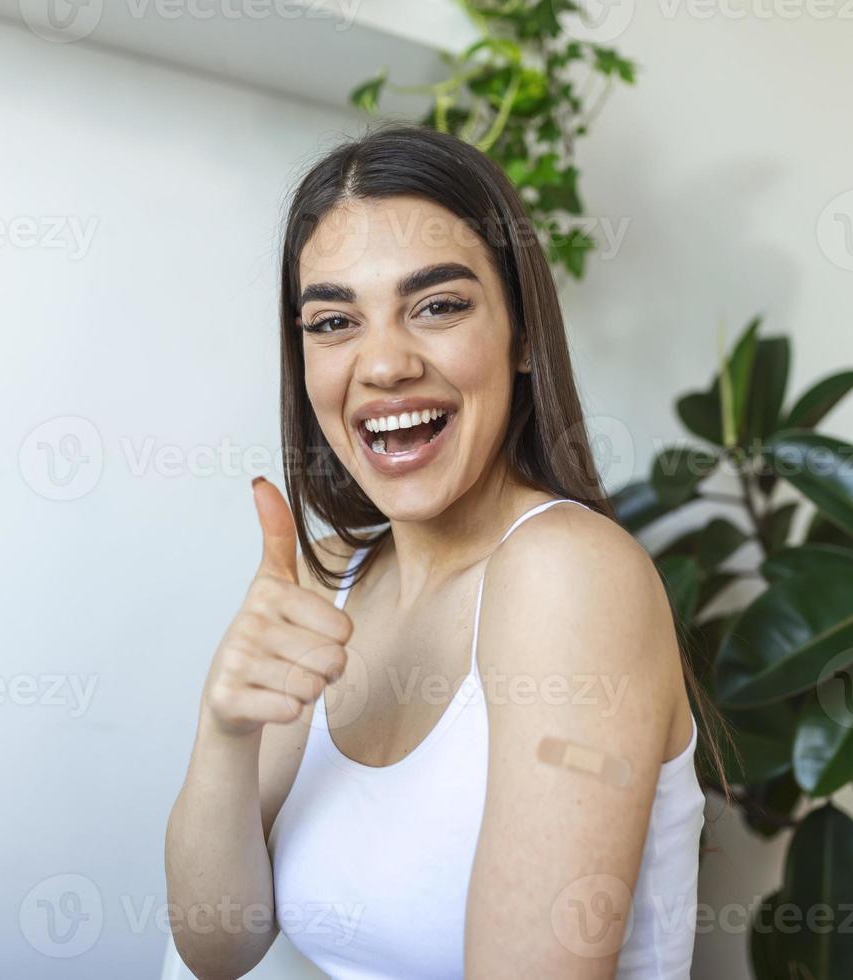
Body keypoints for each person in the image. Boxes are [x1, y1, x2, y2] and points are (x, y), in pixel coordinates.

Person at [165, 122, 719, 979]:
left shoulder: (570, 573)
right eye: (334, 320)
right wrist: (224, 728)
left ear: (523, 335)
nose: (382, 364)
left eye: (437, 306)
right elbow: (217, 944)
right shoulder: (330, 573)